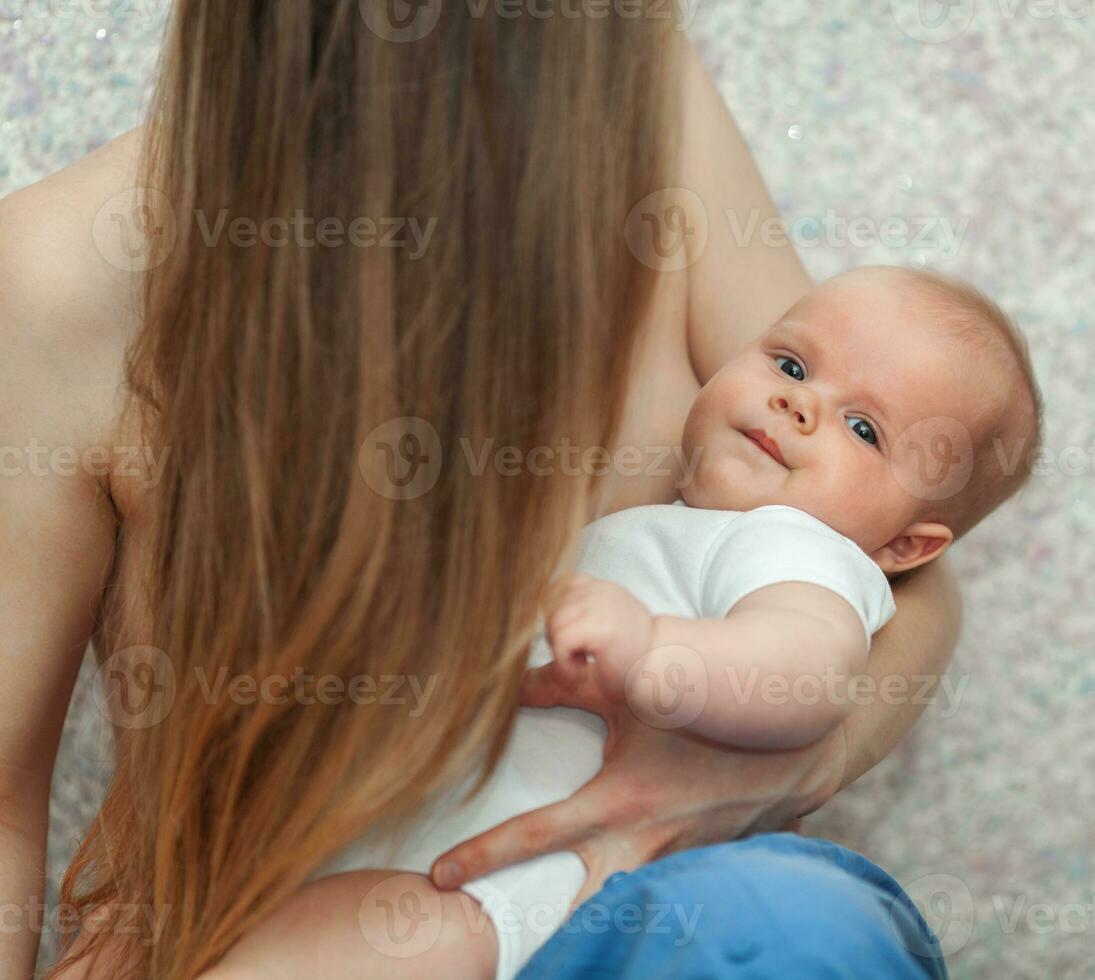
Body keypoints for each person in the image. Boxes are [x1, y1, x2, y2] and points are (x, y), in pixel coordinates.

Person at [0, 3, 961, 978]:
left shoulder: (636, 90)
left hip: (638, 920)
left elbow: (880, 547)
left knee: (796, 926)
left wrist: (763, 765)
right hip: (317, 931)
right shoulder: (56, 276)